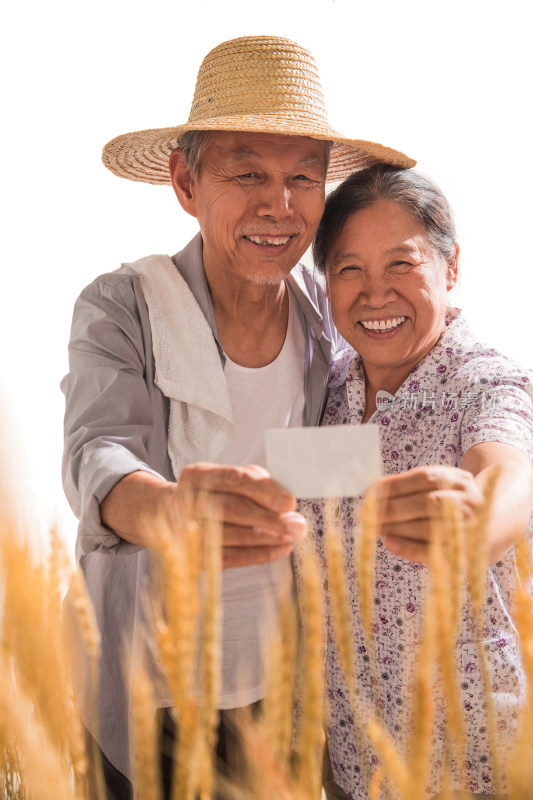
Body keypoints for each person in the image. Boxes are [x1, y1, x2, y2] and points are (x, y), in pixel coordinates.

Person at [61, 36, 414, 799]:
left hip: (281, 692)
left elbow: (354, 446)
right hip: (142, 689)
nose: (277, 206)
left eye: (301, 178)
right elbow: (99, 451)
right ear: (185, 181)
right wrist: (168, 507)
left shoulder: (334, 315)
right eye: (246, 172)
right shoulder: (122, 307)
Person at [305, 164, 533, 799]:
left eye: (400, 265)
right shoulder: (328, 391)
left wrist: (479, 519)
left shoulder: (484, 382)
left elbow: (509, 471)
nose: (375, 295)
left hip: (477, 773)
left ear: (450, 266)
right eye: (350, 270)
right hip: (358, 774)